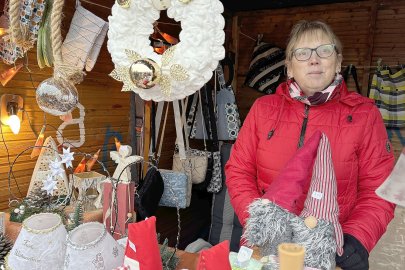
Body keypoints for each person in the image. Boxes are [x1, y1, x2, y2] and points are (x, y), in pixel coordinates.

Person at [225, 20, 395, 270]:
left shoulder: (365, 116)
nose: (314, 60)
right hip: (265, 246)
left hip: (331, 248)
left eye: (324, 50)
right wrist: (260, 223)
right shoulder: (263, 110)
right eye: (302, 53)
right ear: (290, 67)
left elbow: (379, 190)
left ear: (337, 62)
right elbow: (239, 170)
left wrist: (356, 239)